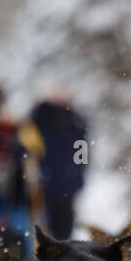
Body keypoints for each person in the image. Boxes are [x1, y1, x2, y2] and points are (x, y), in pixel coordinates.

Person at [29, 89, 89, 240]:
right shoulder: (39, 120)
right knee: (42, 229)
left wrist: (77, 176)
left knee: (60, 230)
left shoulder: (76, 123)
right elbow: (30, 150)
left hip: (62, 184)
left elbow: (82, 154)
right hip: (44, 185)